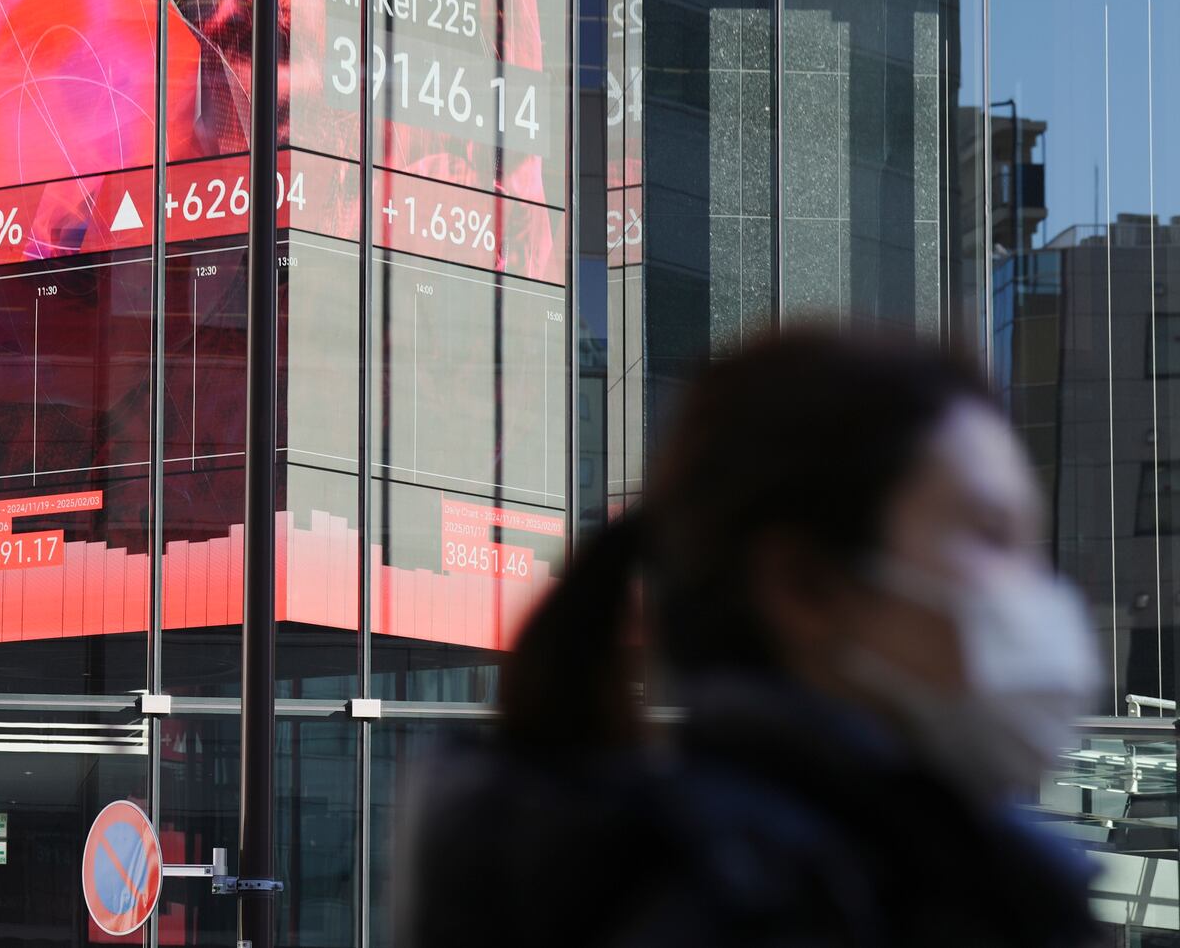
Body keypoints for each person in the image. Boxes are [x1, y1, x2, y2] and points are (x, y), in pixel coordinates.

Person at [401, 329, 1101, 948]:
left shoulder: (851, 879)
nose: (1037, 593)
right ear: (805, 586)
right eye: (990, 534)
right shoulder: (747, 899)